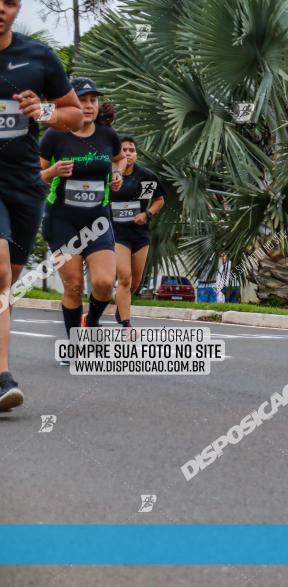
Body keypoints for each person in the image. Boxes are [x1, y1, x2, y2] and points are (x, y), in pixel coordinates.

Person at [0, 0, 83, 411]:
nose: (0, 8)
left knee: (7, 286)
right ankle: (2, 379)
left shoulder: (37, 57)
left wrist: (43, 109)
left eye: (9, 1)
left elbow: (74, 115)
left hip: (24, 186)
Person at [40, 78, 124, 340]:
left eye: (93, 100)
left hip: (98, 220)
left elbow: (119, 160)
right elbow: (34, 175)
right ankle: (75, 343)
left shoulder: (108, 135)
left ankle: (92, 321)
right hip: (62, 221)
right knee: (74, 285)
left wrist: (117, 174)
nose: (88, 106)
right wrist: (53, 171)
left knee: (104, 283)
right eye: (82, 100)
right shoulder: (55, 135)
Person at [111, 136, 165, 327]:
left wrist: (147, 214)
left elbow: (158, 200)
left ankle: (121, 305)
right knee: (124, 277)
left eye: (131, 150)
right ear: (117, 154)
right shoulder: (111, 176)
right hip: (117, 233)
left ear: (136, 154)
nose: (128, 153)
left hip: (140, 233)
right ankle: (126, 324)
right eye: (123, 150)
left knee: (135, 281)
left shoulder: (145, 176)